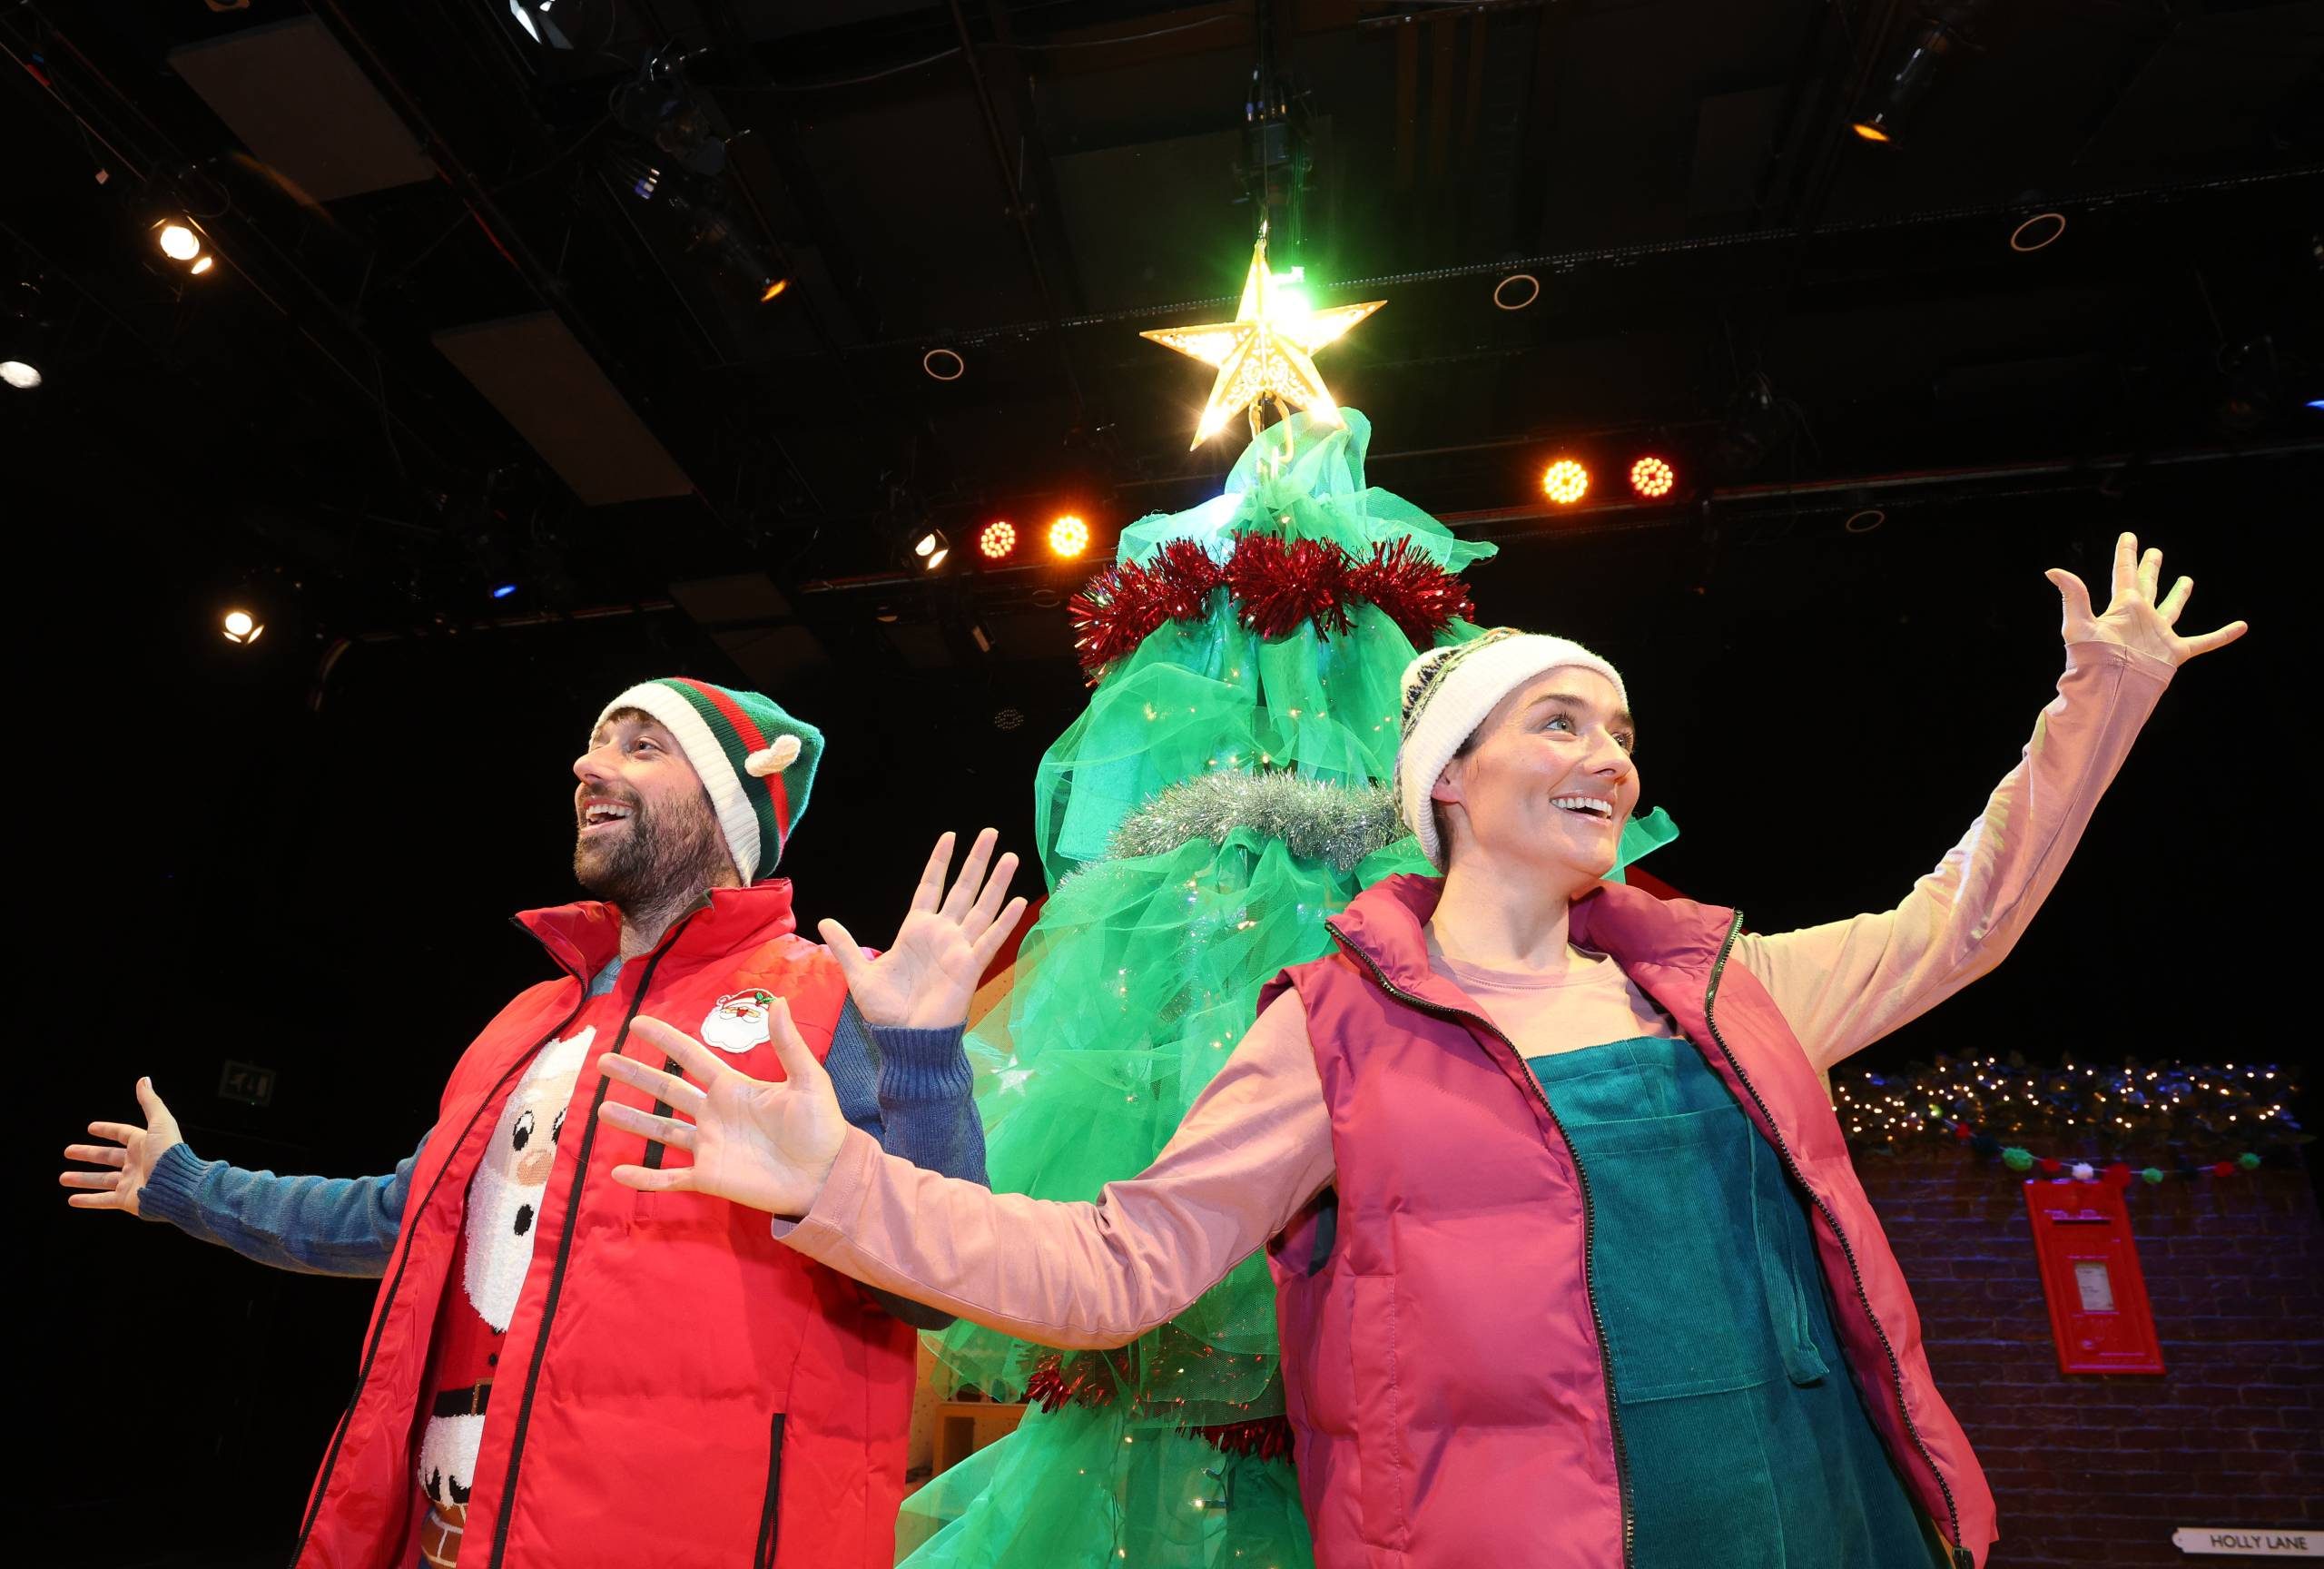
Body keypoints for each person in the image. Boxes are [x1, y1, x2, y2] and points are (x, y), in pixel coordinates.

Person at [587, 538, 2242, 1569]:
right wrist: (839, 1183)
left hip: (1810, 1519)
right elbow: (1118, 1260)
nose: (1613, 753)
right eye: (1563, 720)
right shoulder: (1337, 1032)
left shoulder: (1723, 988)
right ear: (1449, 776)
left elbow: (1962, 922)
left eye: (1622, 727)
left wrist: (2096, 706)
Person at [60, 676, 1024, 1569]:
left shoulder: (823, 1001)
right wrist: (188, 1187)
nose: (589, 765)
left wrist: (925, 1056)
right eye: (596, 742)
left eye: (643, 747)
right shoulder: (526, 1022)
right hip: (450, 1535)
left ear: (735, 804)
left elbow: (934, 1286)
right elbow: (401, 1223)